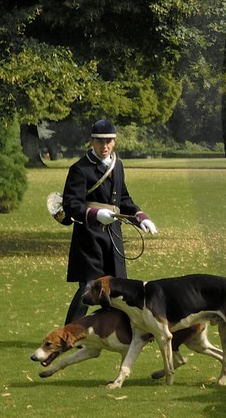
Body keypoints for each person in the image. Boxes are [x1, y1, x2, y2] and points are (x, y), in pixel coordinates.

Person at [62, 119, 157, 323]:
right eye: (100, 141)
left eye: (109, 141)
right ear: (91, 141)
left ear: (114, 142)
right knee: (89, 287)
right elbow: (71, 204)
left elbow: (123, 199)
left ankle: (119, 330)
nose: (104, 146)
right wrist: (95, 214)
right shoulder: (80, 168)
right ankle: (69, 331)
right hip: (89, 236)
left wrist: (140, 217)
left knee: (116, 286)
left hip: (113, 233)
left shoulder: (118, 165)